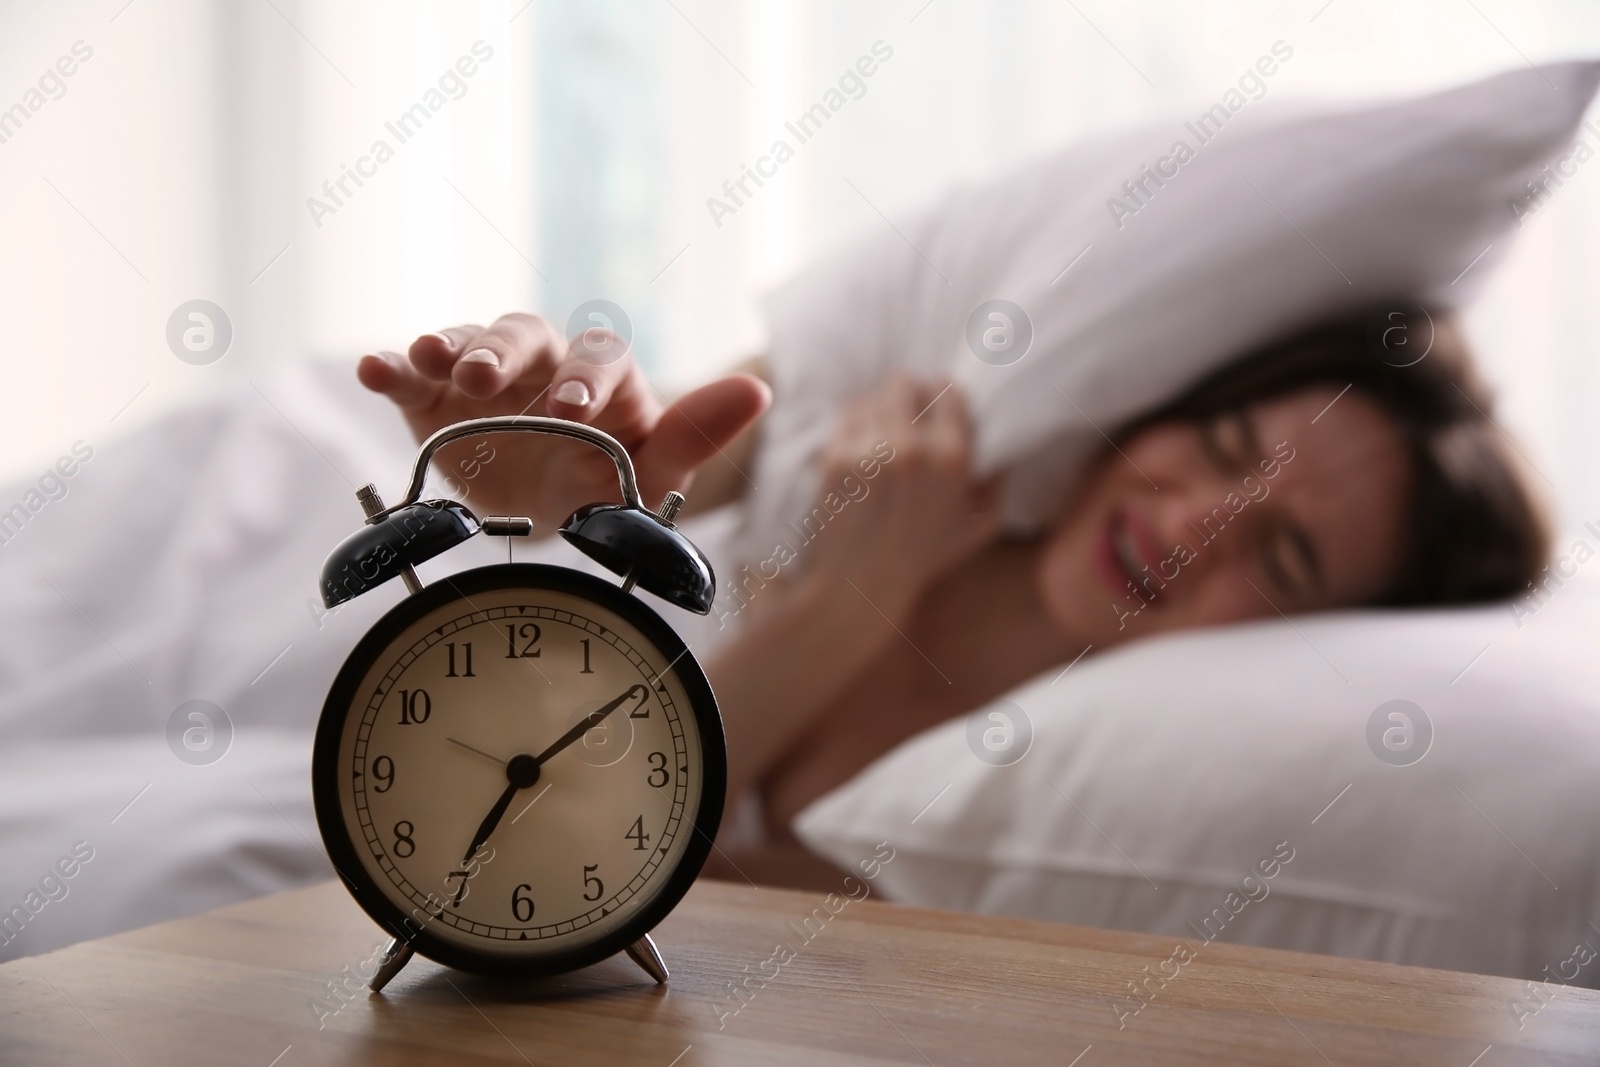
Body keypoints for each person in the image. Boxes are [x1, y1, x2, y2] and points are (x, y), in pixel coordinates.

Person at [357, 306, 1548, 875]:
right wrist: (545, 474)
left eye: (1280, 555)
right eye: (1225, 443)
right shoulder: (891, 407)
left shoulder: (1062, 810)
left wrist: (844, 607)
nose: (1193, 525)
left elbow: (567, 863)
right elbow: (590, 472)